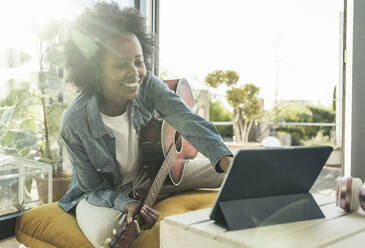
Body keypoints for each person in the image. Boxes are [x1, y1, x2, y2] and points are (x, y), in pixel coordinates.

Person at [58, 1, 233, 247]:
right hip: (101, 194)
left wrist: (225, 159)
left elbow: (188, 120)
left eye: (138, 61)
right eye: (120, 65)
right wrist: (126, 204)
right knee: (107, 233)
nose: (134, 72)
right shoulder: (74, 124)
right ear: (94, 72)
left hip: (148, 176)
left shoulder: (148, 85)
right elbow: (92, 189)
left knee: (232, 171)